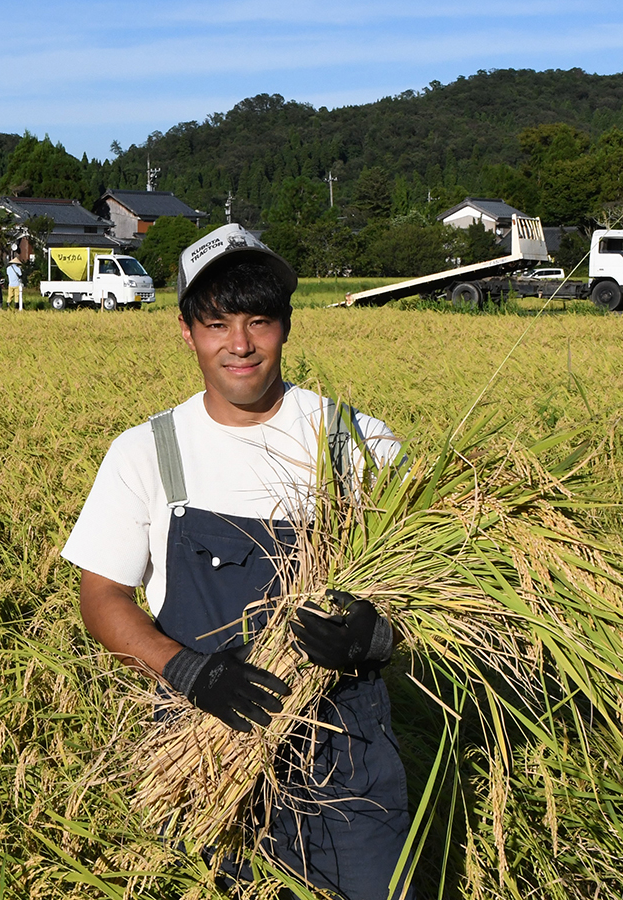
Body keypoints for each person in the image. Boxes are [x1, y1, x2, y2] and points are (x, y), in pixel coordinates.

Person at [61, 223, 416, 900]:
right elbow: (101, 596)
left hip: (348, 762)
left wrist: (380, 633)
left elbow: (427, 592)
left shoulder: (359, 442)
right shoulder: (146, 452)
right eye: (218, 324)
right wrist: (185, 670)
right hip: (205, 750)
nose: (241, 345)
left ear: (287, 326)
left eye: (260, 321)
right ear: (187, 332)